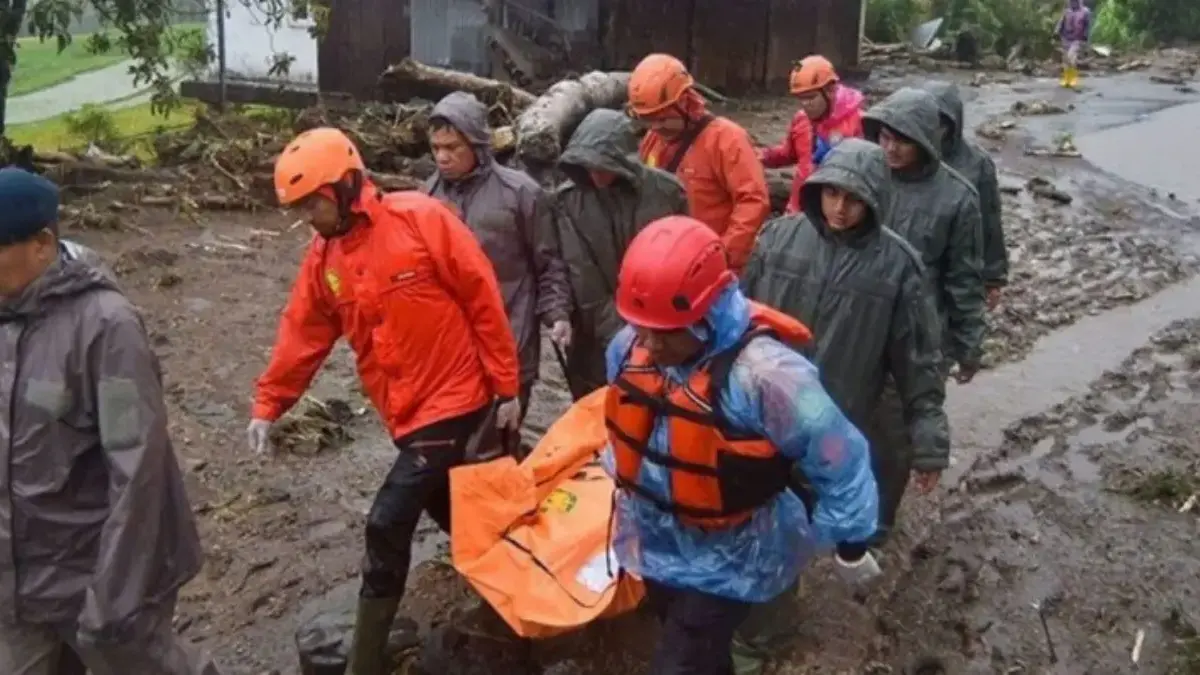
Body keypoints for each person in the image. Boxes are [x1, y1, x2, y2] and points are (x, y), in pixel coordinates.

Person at [248, 128, 521, 675]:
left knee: (388, 519)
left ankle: (365, 662)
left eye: (313, 204)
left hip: (455, 395)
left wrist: (507, 385)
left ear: (346, 186)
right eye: (301, 208)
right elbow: (303, 332)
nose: (309, 218)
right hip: (403, 408)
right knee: (451, 506)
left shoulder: (420, 219)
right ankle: (520, 581)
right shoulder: (324, 259)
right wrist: (268, 404)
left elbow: (482, 296)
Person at [603, 215, 880, 675]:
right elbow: (629, 424)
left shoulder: (767, 377)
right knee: (694, 644)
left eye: (663, 331)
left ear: (705, 314)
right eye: (639, 327)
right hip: (655, 537)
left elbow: (838, 453)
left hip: (733, 552)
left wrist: (850, 542)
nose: (647, 344)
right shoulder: (628, 348)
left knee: (681, 660)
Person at [735, 140, 950, 674]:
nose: (839, 207)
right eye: (831, 192)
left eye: (853, 198)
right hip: (763, 416)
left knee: (804, 519)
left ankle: (777, 620)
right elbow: (738, 321)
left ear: (874, 198)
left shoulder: (899, 266)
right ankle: (760, 632)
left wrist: (927, 442)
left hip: (834, 422)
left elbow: (917, 361)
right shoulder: (780, 239)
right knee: (764, 521)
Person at [0, 167, 221, 675]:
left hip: (92, 572)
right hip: (15, 581)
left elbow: (137, 464)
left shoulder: (106, 327)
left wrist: (115, 592)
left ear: (41, 244)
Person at [425, 91, 571, 419]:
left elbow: (549, 262)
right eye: (436, 148)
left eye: (452, 148)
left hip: (511, 340)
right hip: (450, 349)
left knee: (501, 443)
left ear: (477, 145)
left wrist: (558, 314)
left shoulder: (521, 193)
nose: (442, 158)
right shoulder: (427, 197)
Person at [551, 108, 688, 399]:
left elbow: (682, 259)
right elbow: (581, 273)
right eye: (586, 166)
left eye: (602, 165)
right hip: (594, 334)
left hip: (660, 323)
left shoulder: (667, 192)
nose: (594, 174)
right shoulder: (569, 201)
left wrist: (649, 330)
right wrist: (620, 334)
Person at [862, 87, 986, 384]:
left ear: (925, 141)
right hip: (861, 320)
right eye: (885, 138)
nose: (890, 149)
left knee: (908, 418)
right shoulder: (864, 177)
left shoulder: (956, 198)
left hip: (919, 329)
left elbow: (964, 279)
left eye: (902, 141)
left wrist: (968, 347)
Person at [629, 53, 770, 272]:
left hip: (714, 266)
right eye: (648, 120)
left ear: (684, 102)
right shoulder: (653, 140)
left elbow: (753, 201)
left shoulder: (726, 139)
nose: (656, 127)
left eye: (663, 118)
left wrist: (723, 255)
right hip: (667, 263)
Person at [922, 81, 1009, 309]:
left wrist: (994, 277)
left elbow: (990, 221)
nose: (933, 128)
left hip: (961, 262)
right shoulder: (910, 156)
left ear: (952, 123)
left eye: (940, 122)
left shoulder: (977, 164)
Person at [759, 55, 865, 214]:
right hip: (797, 211)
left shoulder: (859, 124)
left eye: (811, 97)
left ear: (830, 90)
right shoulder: (801, 120)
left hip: (833, 216)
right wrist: (761, 156)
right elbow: (789, 153)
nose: (805, 104)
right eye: (801, 98)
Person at [1055, 0, 1092, 89]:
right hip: (1065, 38)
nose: (1073, 3)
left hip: (1077, 39)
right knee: (1066, 60)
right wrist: (1056, 33)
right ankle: (1067, 79)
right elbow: (1061, 23)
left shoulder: (1085, 11)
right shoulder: (1067, 11)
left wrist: (1085, 37)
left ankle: (1072, 79)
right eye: (1071, 1)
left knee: (1071, 57)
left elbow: (1087, 25)